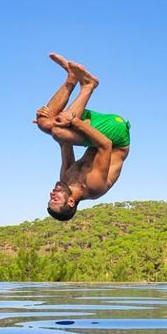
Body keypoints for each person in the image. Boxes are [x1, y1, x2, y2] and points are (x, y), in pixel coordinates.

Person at [34, 53, 131, 221]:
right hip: (117, 135)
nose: (52, 193)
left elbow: (64, 144)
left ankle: (71, 77)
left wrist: (48, 119)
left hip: (92, 131)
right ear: (71, 202)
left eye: (50, 197)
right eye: (55, 199)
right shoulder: (94, 187)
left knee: (46, 124)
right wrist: (75, 122)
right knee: (58, 130)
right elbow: (106, 145)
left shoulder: (65, 177)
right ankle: (88, 85)